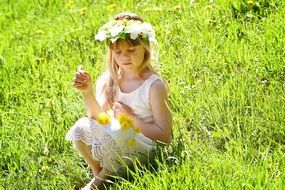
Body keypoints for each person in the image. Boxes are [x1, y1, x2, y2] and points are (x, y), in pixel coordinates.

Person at [66, 12, 172, 189]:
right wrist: (87, 93)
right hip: (116, 142)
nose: (125, 57)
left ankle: (96, 184)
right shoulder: (109, 80)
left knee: (121, 131)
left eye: (131, 50)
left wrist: (131, 120)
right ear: (111, 53)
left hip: (145, 148)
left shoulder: (153, 85)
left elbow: (165, 137)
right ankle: (100, 173)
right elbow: (97, 120)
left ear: (145, 46)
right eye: (118, 52)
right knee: (80, 127)